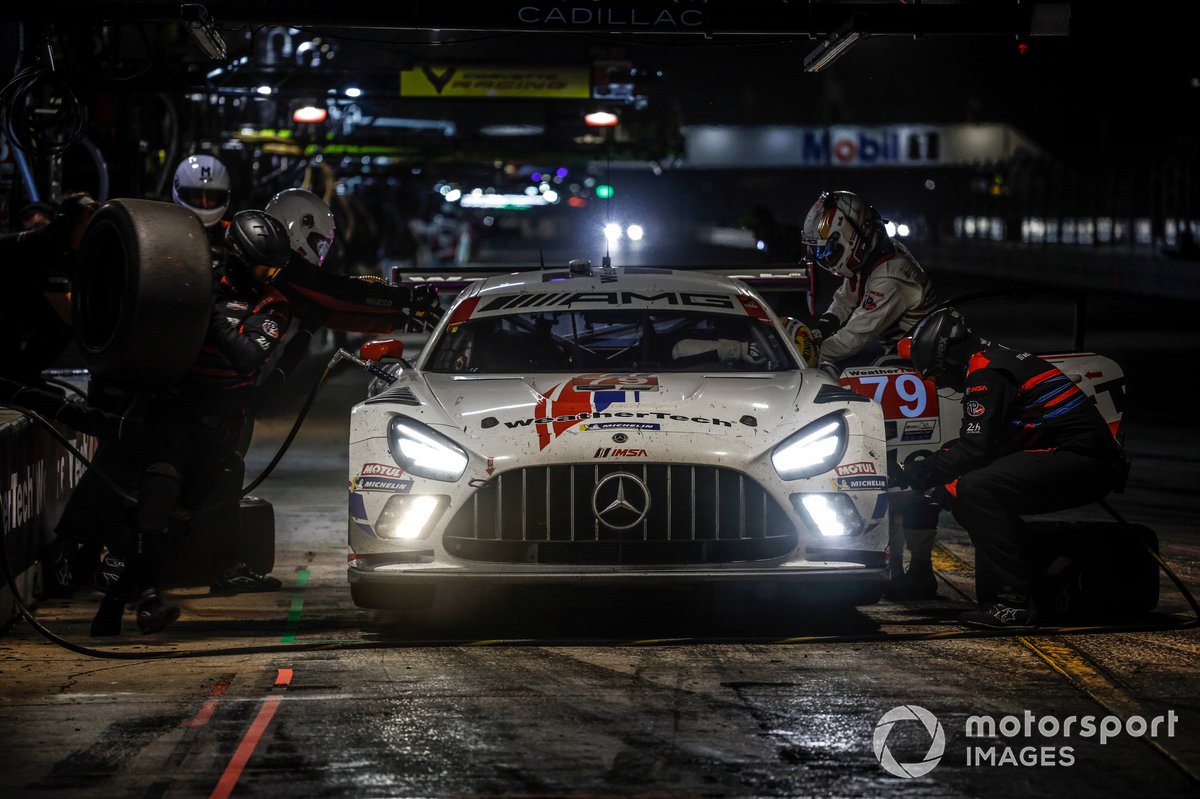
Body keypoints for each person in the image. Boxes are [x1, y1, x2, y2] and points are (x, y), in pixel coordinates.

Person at [88, 209, 294, 635]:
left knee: (178, 522)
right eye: (261, 266)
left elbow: (248, 357)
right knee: (154, 506)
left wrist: (212, 319)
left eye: (274, 268)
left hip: (221, 426)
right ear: (237, 257)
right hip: (174, 412)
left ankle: (122, 598)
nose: (268, 275)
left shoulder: (273, 304)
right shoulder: (196, 283)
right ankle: (134, 604)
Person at [899, 307, 1126, 629]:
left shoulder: (987, 373)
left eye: (939, 371)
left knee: (973, 489)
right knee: (959, 492)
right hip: (1076, 456)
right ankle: (1036, 581)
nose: (943, 380)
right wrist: (936, 479)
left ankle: (1014, 602)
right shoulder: (995, 360)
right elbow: (988, 443)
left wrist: (919, 474)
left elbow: (975, 449)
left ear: (947, 355)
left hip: (1085, 460)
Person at [800, 190, 937, 368]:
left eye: (831, 252)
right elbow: (845, 300)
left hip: (920, 367)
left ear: (852, 239)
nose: (828, 261)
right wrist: (820, 331)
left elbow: (854, 338)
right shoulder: (872, 254)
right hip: (903, 358)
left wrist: (805, 355)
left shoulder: (889, 274)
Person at [172, 153, 232, 254]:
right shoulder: (166, 231)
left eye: (211, 196)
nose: (204, 202)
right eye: (196, 195)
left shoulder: (232, 233)